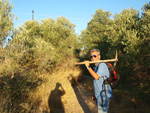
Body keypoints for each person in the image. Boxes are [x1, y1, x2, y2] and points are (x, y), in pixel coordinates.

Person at [84, 48, 113, 113]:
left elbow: (96, 77)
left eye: (95, 56)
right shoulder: (96, 67)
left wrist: (88, 67)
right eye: (91, 57)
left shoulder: (102, 65)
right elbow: (97, 82)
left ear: (99, 56)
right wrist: (95, 94)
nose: (93, 58)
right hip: (99, 95)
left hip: (104, 95)